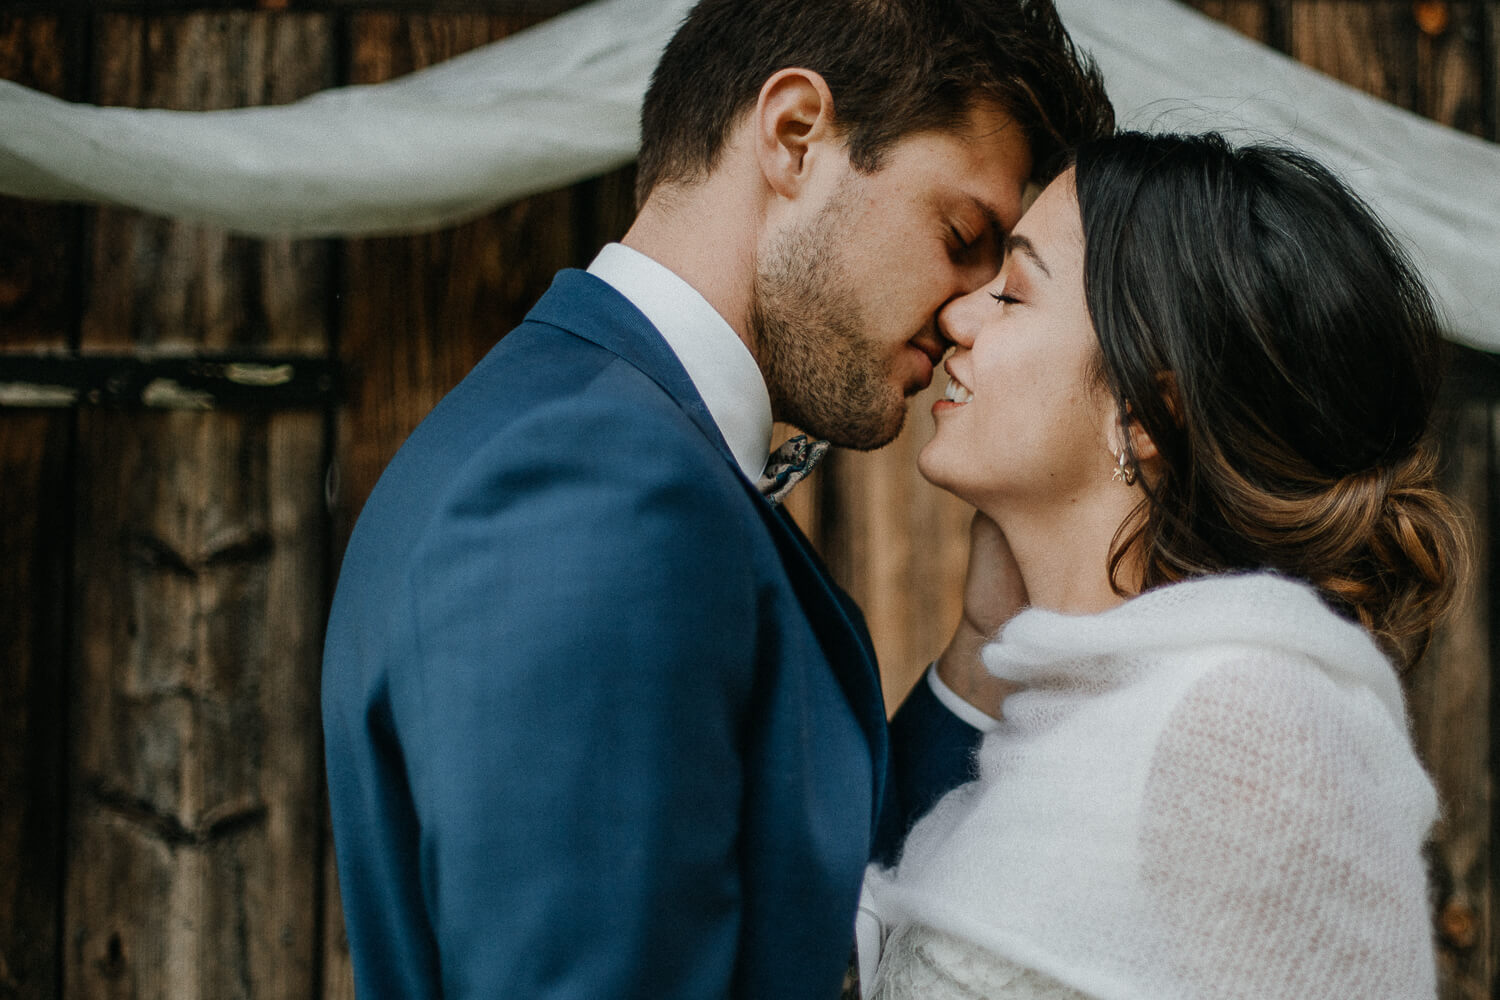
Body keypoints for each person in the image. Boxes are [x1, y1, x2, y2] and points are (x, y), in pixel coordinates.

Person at [320, 1, 1113, 997]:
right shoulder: (594, 484)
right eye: (960, 234)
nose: (963, 312)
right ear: (793, 136)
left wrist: (987, 641)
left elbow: (798, 920)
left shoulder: (610, 439)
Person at [861, 130, 1466, 999]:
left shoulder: (1250, 731)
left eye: (1015, 293)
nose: (957, 317)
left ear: (1148, 410)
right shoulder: (1065, 723)